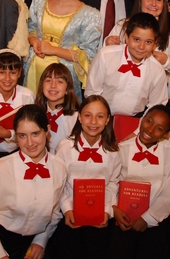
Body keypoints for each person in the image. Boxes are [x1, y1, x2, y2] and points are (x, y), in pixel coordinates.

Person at [0, 104, 67, 259]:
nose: (30, 143)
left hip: (34, 245)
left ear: (47, 130)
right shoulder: (1, 168)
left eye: (35, 133)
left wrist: (40, 241)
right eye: (22, 136)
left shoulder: (60, 167)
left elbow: (55, 213)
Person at [49, 95, 121, 259]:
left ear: (108, 119)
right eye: (88, 115)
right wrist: (67, 208)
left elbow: (112, 184)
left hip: (99, 218)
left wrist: (106, 211)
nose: (93, 122)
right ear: (79, 117)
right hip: (69, 215)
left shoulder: (113, 152)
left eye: (100, 116)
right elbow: (58, 183)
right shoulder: (65, 147)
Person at [24, 0, 101, 99]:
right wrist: (34, 42)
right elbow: (30, 29)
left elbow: (87, 56)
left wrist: (53, 50)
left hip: (64, 77)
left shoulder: (90, 15)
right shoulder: (39, 2)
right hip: (33, 70)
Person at [108, 105, 170, 259]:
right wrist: (115, 209)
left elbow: (169, 193)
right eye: (149, 121)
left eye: (159, 128)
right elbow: (112, 183)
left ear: (166, 134)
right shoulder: (122, 149)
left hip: (155, 219)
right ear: (142, 119)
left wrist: (147, 219)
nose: (150, 129)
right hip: (123, 218)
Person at [85, 12, 169, 116]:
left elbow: (156, 107)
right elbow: (92, 93)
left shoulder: (157, 70)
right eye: (136, 39)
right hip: (100, 115)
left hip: (136, 120)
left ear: (155, 43)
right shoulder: (105, 56)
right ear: (126, 37)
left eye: (148, 42)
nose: (141, 47)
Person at [34, 63, 80, 154]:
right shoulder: (35, 115)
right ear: (42, 86)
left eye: (59, 81)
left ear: (67, 89)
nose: (53, 85)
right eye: (48, 80)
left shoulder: (76, 118)